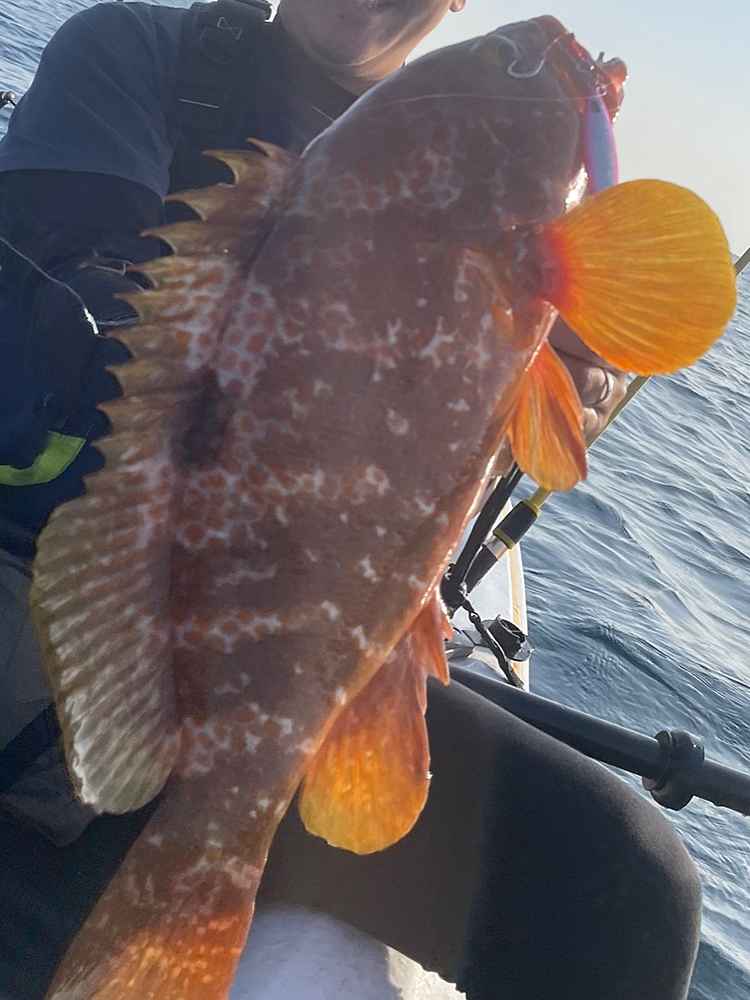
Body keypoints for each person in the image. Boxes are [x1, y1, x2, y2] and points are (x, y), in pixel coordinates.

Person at [0, 3, 698, 999]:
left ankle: (197, 862)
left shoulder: (446, 185)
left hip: (298, 683)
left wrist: (553, 372)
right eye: (518, 65)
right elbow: (42, 338)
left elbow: (487, 466)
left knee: (629, 883)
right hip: (67, 600)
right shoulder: (139, 53)